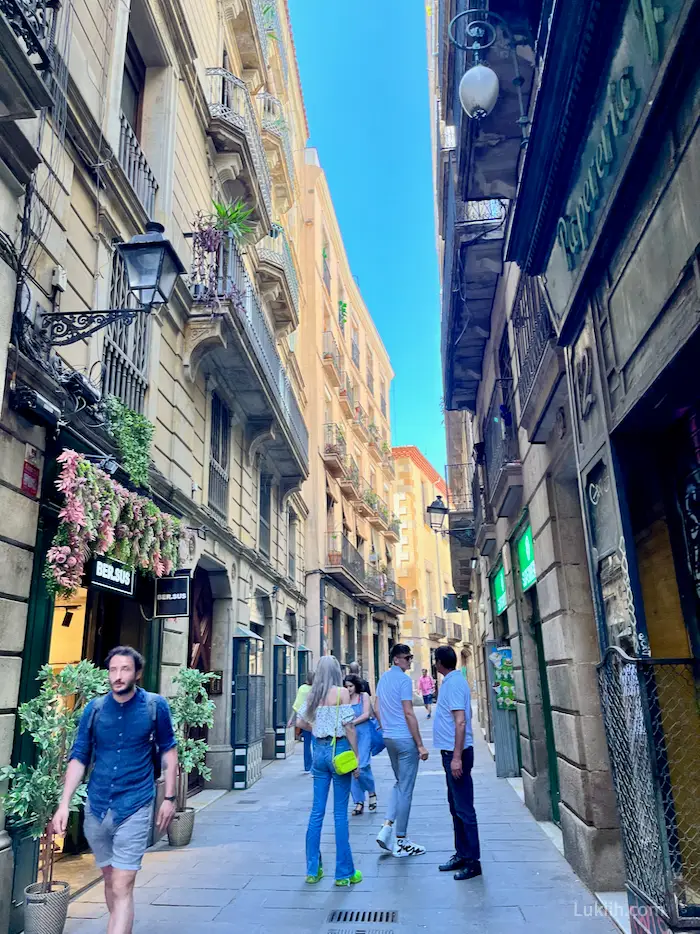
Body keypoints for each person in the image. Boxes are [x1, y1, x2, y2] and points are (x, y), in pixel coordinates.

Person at [53, 646, 178, 934]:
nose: (118, 676)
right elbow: (79, 756)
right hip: (96, 809)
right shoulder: (93, 709)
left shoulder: (154, 706)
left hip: (135, 805)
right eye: (113, 670)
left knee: (122, 884)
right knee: (111, 880)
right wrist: (64, 803)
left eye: (125, 670)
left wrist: (169, 798)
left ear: (137, 673)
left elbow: (168, 751)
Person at [297, 655, 363, 887]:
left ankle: (313, 870)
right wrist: (356, 758)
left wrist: (317, 726)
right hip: (339, 750)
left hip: (319, 753)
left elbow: (300, 722)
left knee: (316, 812)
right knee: (339, 814)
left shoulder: (311, 694)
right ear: (336, 672)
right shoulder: (341, 693)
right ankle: (344, 873)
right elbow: (350, 727)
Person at [375, 644, 429, 857]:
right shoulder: (404, 681)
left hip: (389, 737)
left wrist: (384, 726)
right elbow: (408, 712)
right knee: (406, 789)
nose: (409, 661)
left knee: (400, 784)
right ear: (396, 659)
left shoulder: (383, 679)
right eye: (406, 657)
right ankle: (401, 840)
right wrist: (420, 744)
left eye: (410, 657)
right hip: (405, 739)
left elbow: (376, 707)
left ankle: (387, 827)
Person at [433, 644, 481, 880]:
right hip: (451, 753)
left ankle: (473, 861)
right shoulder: (452, 682)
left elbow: (460, 722)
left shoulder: (453, 684)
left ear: (440, 662)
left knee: (463, 808)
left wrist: (457, 757)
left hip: (456, 753)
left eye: (435, 660)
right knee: (455, 807)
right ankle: (461, 853)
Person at [344, 674, 377, 815]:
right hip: (348, 737)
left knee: (362, 766)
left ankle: (371, 791)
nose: (348, 689)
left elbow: (366, 714)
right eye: (346, 686)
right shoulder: (343, 699)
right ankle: (358, 801)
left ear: (356, 685)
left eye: (350, 686)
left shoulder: (363, 696)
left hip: (364, 735)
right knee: (352, 768)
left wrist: (352, 722)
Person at [288, 670, 314, 773]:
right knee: (316, 743)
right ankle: (316, 766)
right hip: (315, 719)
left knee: (307, 743)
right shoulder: (317, 689)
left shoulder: (302, 689)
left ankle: (308, 765)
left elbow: (297, 705)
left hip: (304, 720)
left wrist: (291, 719)